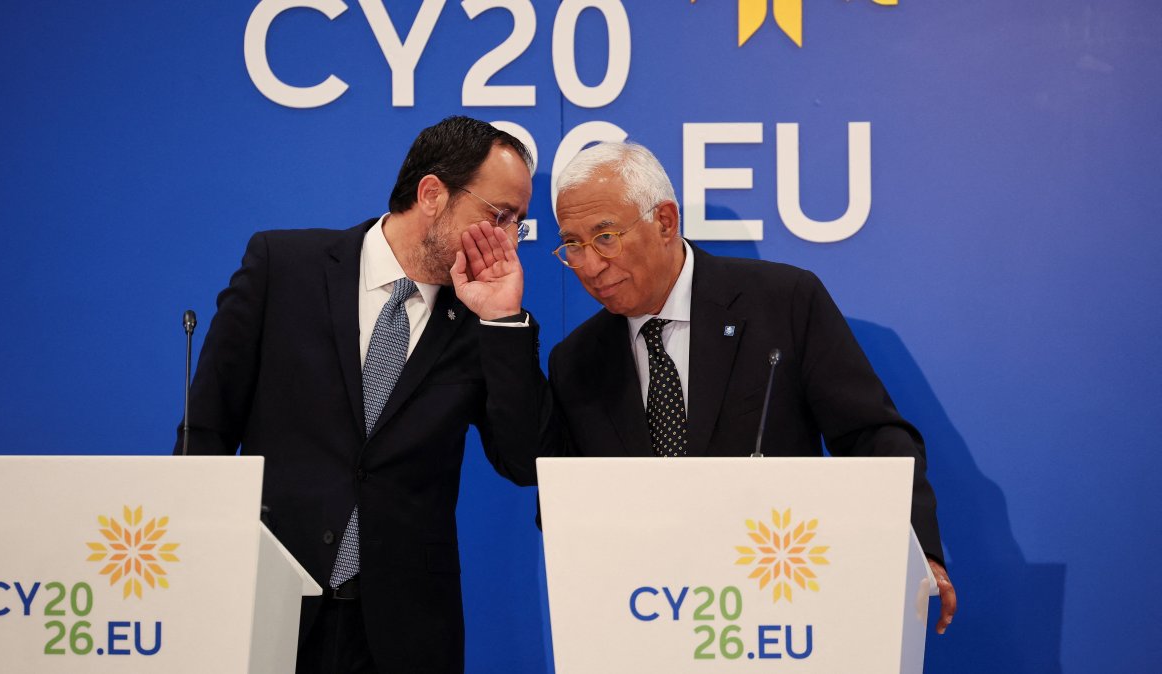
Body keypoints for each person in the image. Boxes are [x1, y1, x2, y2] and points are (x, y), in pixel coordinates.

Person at [176, 116, 550, 673]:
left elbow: (523, 462)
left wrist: (501, 321)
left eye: (518, 222)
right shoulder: (283, 267)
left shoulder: (485, 322)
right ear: (432, 194)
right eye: (499, 216)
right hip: (266, 607)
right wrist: (197, 570)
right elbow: (207, 428)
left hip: (406, 633)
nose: (509, 239)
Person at [544, 141, 957, 634]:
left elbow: (872, 436)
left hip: (780, 610)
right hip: (648, 620)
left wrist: (916, 553)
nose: (589, 265)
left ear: (666, 221)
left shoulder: (783, 302)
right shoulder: (576, 361)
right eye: (573, 245)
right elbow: (568, 505)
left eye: (605, 237)